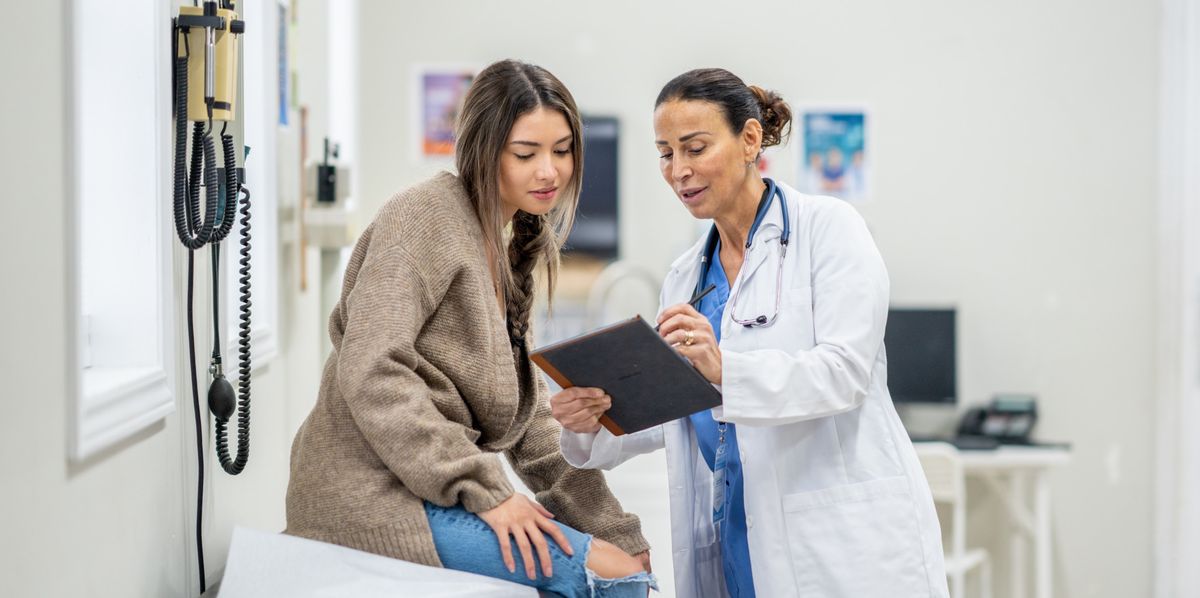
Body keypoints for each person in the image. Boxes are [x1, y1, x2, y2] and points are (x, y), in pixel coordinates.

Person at [551, 68, 949, 597]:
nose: (680, 171)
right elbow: (680, 409)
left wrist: (725, 368)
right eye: (666, 154)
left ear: (750, 140)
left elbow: (845, 373)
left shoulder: (829, 230)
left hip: (835, 543)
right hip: (733, 535)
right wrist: (595, 417)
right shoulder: (686, 276)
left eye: (695, 147)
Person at [285, 59, 656, 598]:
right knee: (613, 579)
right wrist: (488, 492)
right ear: (484, 150)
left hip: (432, 486)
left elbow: (529, 425)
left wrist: (611, 524)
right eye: (526, 154)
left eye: (563, 150)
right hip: (368, 497)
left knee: (625, 562)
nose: (549, 171)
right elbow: (373, 370)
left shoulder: (504, 243)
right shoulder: (423, 218)